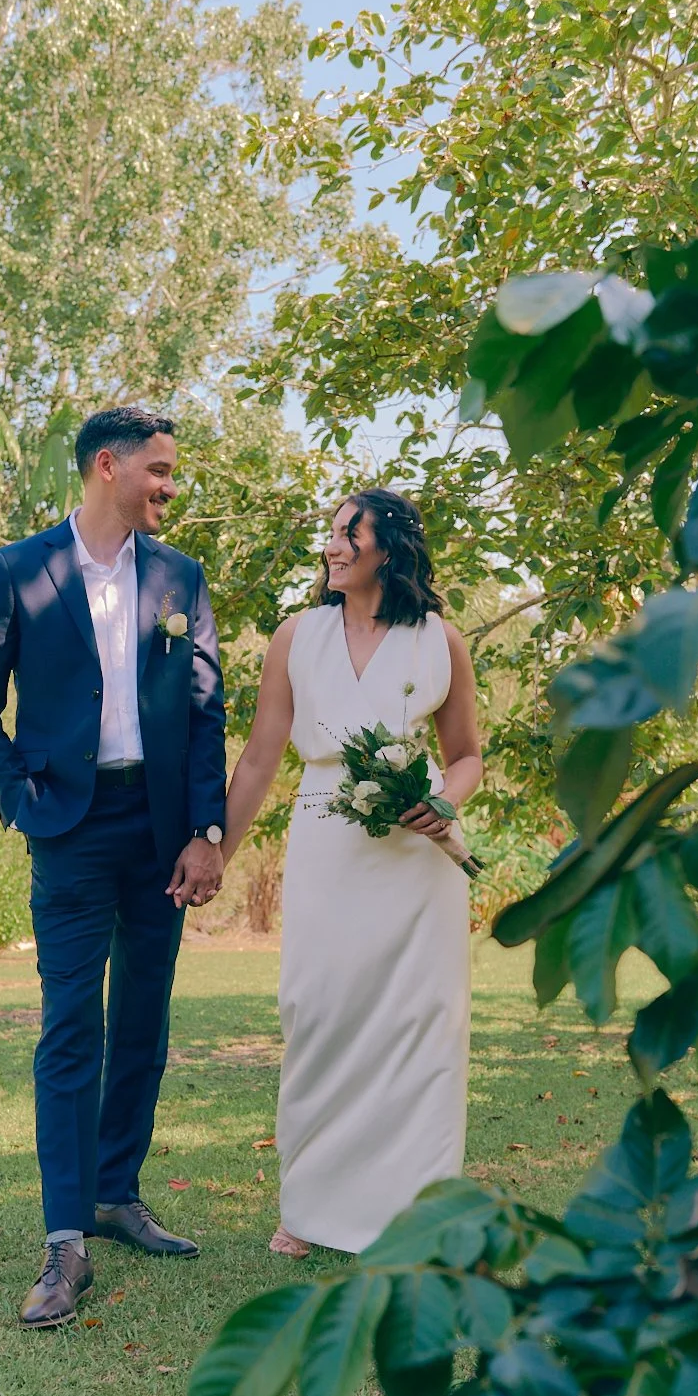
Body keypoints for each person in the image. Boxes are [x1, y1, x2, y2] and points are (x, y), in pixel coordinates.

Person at [0, 406, 226, 1327]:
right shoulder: (18, 570)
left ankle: (117, 1194)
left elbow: (206, 714)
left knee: (144, 1019)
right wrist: (20, 797)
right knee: (72, 1026)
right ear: (108, 466)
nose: (170, 486)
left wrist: (208, 831)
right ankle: (65, 1240)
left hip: (161, 831)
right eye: (160, 470)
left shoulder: (181, 578)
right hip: (67, 826)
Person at [221, 489, 481, 1257]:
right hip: (327, 846)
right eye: (332, 533)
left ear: (387, 549)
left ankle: (417, 1216)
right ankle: (308, 1209)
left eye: (348, 534)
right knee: (319, 1014)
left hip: (416, 859)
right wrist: (217, 853)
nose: (332, 546)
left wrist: (444, 800)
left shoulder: (440, 640)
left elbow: (467, 756)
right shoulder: (296, 636)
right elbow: (260, 757)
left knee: (418, 1031)